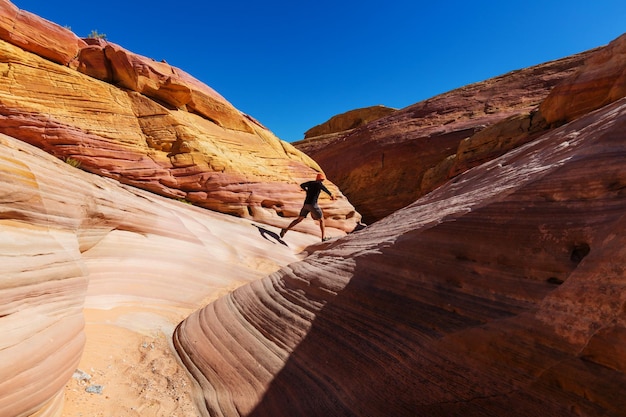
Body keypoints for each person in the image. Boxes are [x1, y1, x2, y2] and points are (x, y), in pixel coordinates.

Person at [280, 173, 336, 241]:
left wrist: (306, 190)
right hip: (313, 205)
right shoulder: (319, 184)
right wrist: (331, 195)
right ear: (321, 179)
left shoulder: (310, 183)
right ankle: (323, 237)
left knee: (299, 219)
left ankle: (285, 230)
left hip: (306, 205)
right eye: (322, 180)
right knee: (321, 220)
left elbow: (302, 185)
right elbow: (325, 189)